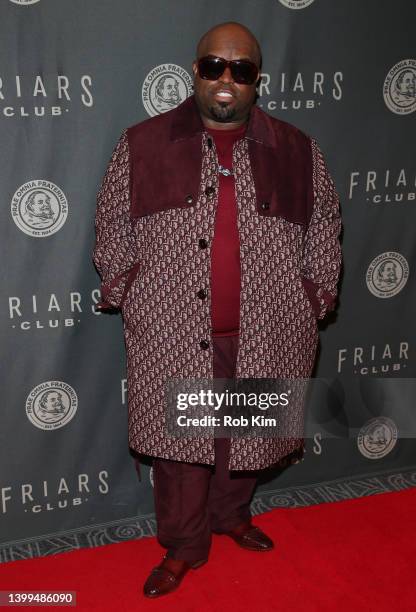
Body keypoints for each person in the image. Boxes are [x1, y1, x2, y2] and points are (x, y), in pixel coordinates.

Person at [93, 22, 342, 598]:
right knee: (183, 455)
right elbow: (111, 228)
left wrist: (315, 296)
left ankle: (231, 515)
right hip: (174, 328)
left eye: (242, 69)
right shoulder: (143, 144)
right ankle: (184, 546)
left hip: (270, 325)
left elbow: (326, 230)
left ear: (258, 80)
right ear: (195, 71)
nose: (226, 80)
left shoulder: (298, 149)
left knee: (247, 433)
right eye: (213, 66)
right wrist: (131, 289)